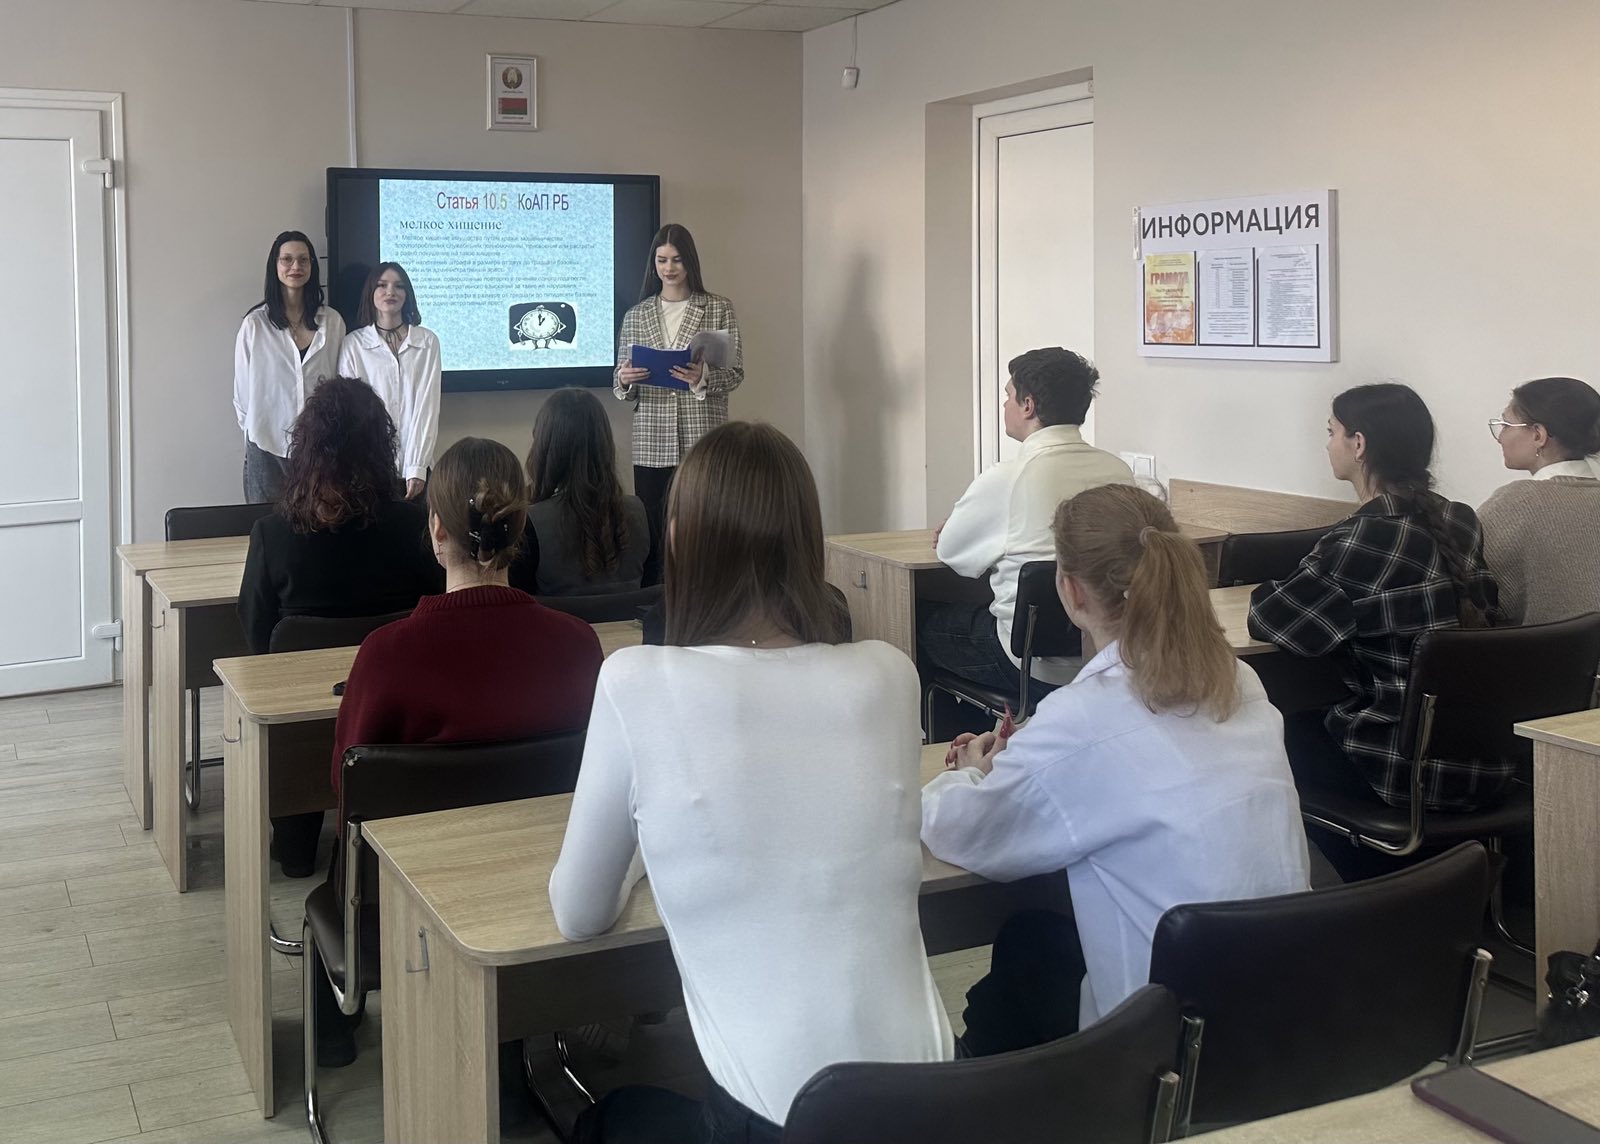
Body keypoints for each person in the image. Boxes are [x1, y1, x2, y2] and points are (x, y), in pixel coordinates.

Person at [549, 422, 951, 1143]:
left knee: (608, 1121)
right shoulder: (891, 673)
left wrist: (649, 844)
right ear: (809, 542)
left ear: (678, 540)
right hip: (937, 1106)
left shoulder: (635, 682)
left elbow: (579, 913)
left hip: (775, 1123)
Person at [922, 484, 1309, 1054]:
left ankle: (981, 1087)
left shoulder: (1081, 717)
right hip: (1284, 1017)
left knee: (1026, 946)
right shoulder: (1240, 681)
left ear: (1070, 590)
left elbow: (959, 830)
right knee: (1038, 938)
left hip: (1170, 1044)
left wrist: (972, 772)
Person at [315, 435, 604, 1068]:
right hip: (550, 888)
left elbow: (347, 788)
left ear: (436, 529)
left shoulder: (386, 655)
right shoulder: (581, 646)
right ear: (520, 527)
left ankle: (334, 1040)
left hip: (413, 905)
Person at [1249, 383, 1502, 825]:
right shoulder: (1460, 520)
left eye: (1332, 432)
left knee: (1262, 734)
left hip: (1396, 764)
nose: (1328, 444)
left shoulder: (1364, 536)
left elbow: (1270, 619)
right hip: (1485, 764)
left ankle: (1368, 865)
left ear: (1359, 444)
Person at [237, 376, 442, 876]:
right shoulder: (414, 526)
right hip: (392, 719)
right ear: (382, 445)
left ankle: (296, 847)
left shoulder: (272, 534)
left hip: (297, 726)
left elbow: (256, 635)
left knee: (285, 693)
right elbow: (434, 612)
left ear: (304, 447)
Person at [923, 347, 1133, 695]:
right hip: (1104, 655)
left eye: (1008, 395)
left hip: (1028, 665)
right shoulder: (1118, 471)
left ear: (1028, 405)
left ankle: (963, 727)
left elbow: (951, 553)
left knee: (925, 623)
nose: (1004, 404)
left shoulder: (1008, 478)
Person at [612, 224, 743, 584]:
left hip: (703, 435)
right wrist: (625, 378)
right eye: (662, 260)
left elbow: (735, 374)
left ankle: (710, 594)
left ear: (690, 262)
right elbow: (619, 384)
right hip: (652, 440)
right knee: (656, 534)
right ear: (653, 264)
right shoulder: (637, 314)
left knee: (707, 525)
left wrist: (702, 376)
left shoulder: (717, 308)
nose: (669, 269)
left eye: (677, 260)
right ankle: (658, 601)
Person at [234, 230, 346, 503]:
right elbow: (242, 395)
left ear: (312, 266)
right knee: (266, 525)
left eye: (303, 260)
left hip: (320, 449)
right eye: (287, 259)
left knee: (321, 523)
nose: (296, 266)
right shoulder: (255, 325)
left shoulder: (332, 322)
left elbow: (341, 384)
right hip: (267, 448)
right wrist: (255, 434)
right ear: (275, 266)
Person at [1478, 377, 1600, 625]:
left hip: (1544, 650)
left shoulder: (1513, 504)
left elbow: (1475, 593)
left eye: (1506, 425)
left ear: (1538, 435)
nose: (1500, 437)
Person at [509, 387, 649, 596]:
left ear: (544, 446)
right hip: (630, 619)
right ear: (604, 445)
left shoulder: (529, 522)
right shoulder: (640, 513)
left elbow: (519, 602)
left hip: (555, 619)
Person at [337, 262, 441, 499]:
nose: (390, 292)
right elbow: (353, 413)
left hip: (417, 468)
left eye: (399, 286)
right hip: (369, 469)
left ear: (407, 294)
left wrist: (416, 466)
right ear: (371, 292)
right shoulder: (354, 345)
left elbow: (427, 407)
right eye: (382, 285)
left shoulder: (427, 342)